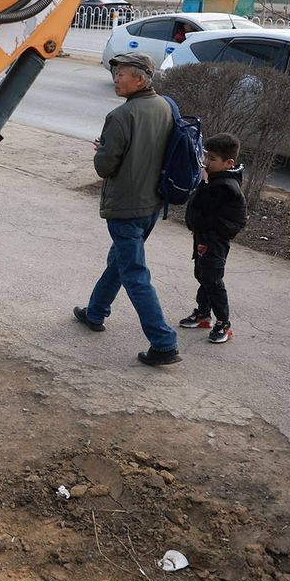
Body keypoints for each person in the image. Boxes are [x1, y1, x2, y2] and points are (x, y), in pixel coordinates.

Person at [73, 52, 182, 366]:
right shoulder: (166, 107)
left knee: (134, 274)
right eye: (115, 73)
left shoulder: (120, 117)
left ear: (140, 78)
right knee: (120, 261)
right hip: (151, 203)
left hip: (126, 205)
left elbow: (104, 167)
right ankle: (95, 312)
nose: (116, 79)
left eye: (121, 73)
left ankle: (164, 342)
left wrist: (101, 151)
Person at [179, 133, 247, 344]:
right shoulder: (217, 180)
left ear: (229, 163)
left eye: (213, 160)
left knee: (212, 279)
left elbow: (204, 208)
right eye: (207, 157)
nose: (207, 162)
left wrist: (204, 184)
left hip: (214, 241)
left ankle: (223, 323)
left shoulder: (224, 186)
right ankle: (203, 314)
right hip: (204, 237)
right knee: (203, 275)